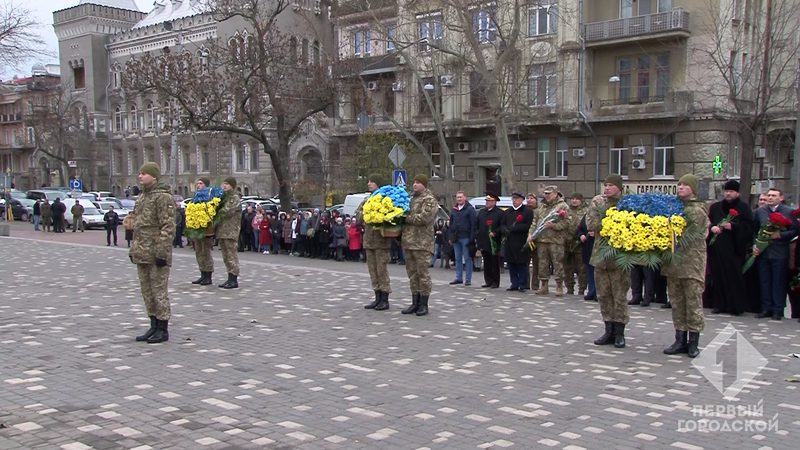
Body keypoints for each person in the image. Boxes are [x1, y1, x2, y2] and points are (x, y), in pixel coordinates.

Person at [662, 174, 711, 358]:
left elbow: (687, 236)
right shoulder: (674, 207)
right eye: (679, 184)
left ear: (693, 188)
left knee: (693, 304)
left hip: (691, 265)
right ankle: (680, 339)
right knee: (677, 303)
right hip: (674, 265)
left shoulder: (697, 210)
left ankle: (693, 342)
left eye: (685, 185)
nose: (680, 187)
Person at [130, 162, 176, 344]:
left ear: (154, 176)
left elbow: (168, 226)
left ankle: (163, 328)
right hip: (142, 251)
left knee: (159, 291)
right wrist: (134, 249)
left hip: (157, 252)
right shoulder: (142, 197)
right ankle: (153, 324)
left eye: (144, 173)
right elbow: (138, 226)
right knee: (147, 291)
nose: (140, 176)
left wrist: (162, 252)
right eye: (139, 173)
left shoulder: (162, 197)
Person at [587, 175, 630, 348]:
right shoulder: (598, 201)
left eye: (611, 185)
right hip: (601, 256)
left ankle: (620, 332)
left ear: (619, 187)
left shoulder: (628, 203)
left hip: (620, 258)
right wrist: (613, 223)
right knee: (603, 295)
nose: (607, 188)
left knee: (619, 296)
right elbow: (591, 223)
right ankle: (608, 330)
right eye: (605, 185)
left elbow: (634, 225)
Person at [705, 179, 753, 316]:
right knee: (718, 277)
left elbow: (748, 228)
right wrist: (712, 227)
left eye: (731, 191)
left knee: (733, 278)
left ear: (737, 193)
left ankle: (735, 306)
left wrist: (733, 227)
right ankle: (719, 304)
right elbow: (709, 222)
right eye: (726, 191)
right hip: (717, 249)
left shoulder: (743, 208)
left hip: (733, 250)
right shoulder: (715, 207)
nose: (728, 194)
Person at [753, 188, 798, 320]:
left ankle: (778, 309)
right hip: (763, 251)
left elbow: (795, 230)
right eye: (769, 195)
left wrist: (781, 235)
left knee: (778, 281)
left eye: (774, 195)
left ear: (781, 197)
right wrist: (755, 244)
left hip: (780, 252)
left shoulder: (788, 212)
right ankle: (766, 308)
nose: (770, 198)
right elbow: (754, 230)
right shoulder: (760, 212)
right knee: (764, 281)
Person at [401, 174, 438, 316]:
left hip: (422, 243)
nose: (414, 185)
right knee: (412, 274)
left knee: (423, 274)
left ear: (424, 184)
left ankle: (424, 304)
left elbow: (425, 218)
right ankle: (414, 302)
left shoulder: (429, 200)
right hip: (409, 242)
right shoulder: (411, 199)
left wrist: (405, 218)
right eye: (414, 182)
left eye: (418, 182)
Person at [357, 174, 393, 311]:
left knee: (381, 270)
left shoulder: (385, 199)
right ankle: (377, 297)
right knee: (372, 270)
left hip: (381, 240)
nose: (368, 184)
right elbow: (358, 216)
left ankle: (385, 298)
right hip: (369, 240)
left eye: (371, 181)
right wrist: (367, 214)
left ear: (378, 184)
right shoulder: (367, 200)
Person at [529, 186, 568, 296]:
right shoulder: (541, 206)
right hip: (542, 240)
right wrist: (530, 234)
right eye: (545, 193)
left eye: (549, 193)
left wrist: (554, 226)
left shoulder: (562, 206)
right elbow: (535, 222)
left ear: (555, 194)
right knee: (542, 264)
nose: (546, 195)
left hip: (555, 240)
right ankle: (544, 286)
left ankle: (559, 286)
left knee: (557, 264)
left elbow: (566, 223)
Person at [503, 192, 534, 292]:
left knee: (521, 264)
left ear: (522, 200)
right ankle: (514, 283)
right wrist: (504, 230)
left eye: (516, 199)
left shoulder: (527, 211)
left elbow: (529, 225)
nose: (514, 201)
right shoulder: (508, 211)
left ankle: (522, 284)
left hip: (521, 241)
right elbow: (502, 224)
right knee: (511, 264)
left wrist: (515, 228)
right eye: (513, 199)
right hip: (510, 241)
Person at [217, 177, 242, 289]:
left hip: (231, 231)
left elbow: (227, 211)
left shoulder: (234, 198)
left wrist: (215, 209)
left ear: (232, 185)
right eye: (224, 184)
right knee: (226, 256)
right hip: (222, 231)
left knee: (231, 255)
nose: (224, 186)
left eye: (227, 184)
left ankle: (234, 279)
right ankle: (229, 277)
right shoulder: (224, 198)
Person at [190, 177, 215, 286]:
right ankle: (202, 274)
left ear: (206, 185)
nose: (198, 185)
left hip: (206, 229)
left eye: (201, 183)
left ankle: (208, 276)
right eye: (198, 183)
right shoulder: (196, 196)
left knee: (206, 252)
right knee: (198, 252)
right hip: (196, 228)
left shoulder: (209, 196)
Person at [448, 191, 477, 286]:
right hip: (456, 237)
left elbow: (473, 225)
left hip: (466, 237)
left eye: (461, 197)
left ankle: (468, 279)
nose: (459, 199)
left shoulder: (470, 209)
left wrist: (472, 238)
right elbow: (451, 223)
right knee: (457, 258)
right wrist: (450, 237)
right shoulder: (454, 209)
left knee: (468, 258)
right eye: (457, 197)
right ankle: (458, 277)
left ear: (465, 197)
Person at [476, 194, 503, 288]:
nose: (487, 202)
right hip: (483, 241)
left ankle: (495, 281)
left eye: (489, 201)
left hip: (494, 242)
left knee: (494, 262)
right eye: (486, 200)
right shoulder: (482, 212)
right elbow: (478, 225)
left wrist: (495, 232)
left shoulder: (499, 213)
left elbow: (502, 226)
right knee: (486, 262)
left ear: (494, 202)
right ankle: (488, 280)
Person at [564, 193, 588, 296]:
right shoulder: (567, 211)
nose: (574, 201)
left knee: (582, 269)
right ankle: (569, 288)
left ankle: (582, 289)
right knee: (567, 268)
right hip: (567, 243)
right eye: (572, 199)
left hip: (580, 244)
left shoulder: (586, 211)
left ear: (581, 200)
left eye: (577, 199)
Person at [576, 214, 596, 301]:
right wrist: (581, 235)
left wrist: (598, 233)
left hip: (599, 247)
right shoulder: (586, 216)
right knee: (590, 270)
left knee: (598, 271)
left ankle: (598, 293)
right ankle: (591, 292)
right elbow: (579, 229)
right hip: (588, 246)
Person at [526, 193, 539, 288]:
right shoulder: (524, 210)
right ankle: (525, 284)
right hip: (525, 240)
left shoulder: (540, 210)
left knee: (536, 264)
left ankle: (535, 285)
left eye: (532, 198)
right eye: (528, 198)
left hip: (537, 241)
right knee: (525, 263)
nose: (530, 200)